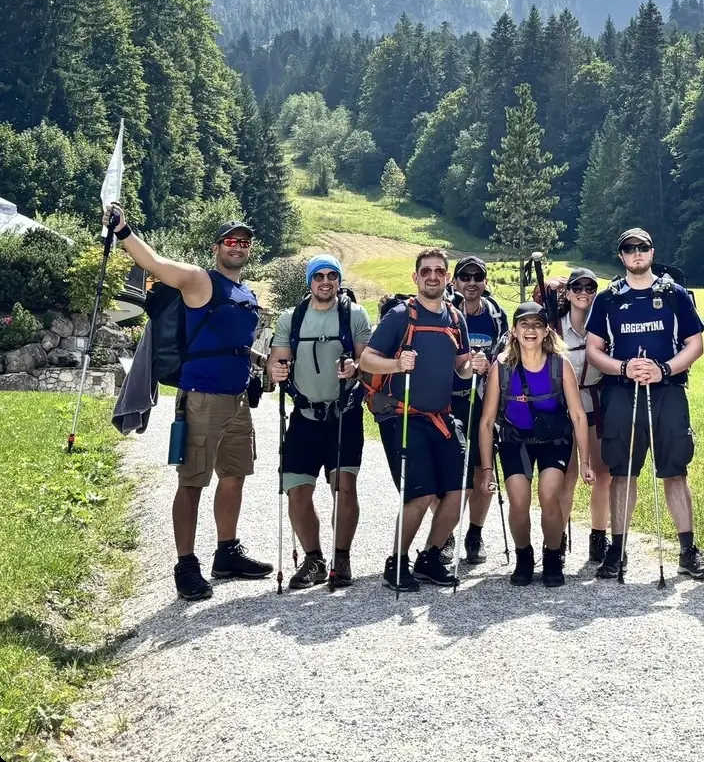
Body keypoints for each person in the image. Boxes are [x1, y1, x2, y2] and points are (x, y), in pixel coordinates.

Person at [107, 207, 272, 601]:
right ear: (217, 248)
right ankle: (186, 564)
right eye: (231, 241)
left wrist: (259, 361)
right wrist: (124, 230)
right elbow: (155, 264)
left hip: (236, 401)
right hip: (200, 398)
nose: (238, 247)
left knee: (234, 476)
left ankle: (227, 553)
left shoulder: (246, 294)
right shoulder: (199, 280)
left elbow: (232, 342)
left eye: (244, 242)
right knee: (193, 481)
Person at [585, 227, 704, 581]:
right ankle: (618, 549)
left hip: (668, 390)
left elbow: (694, 344)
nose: (636, 254)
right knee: (623, 472)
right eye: (629, 249)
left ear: (652, 252)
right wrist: (624, 367)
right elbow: (595, 350)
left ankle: (688, 551)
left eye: (642, 247)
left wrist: (664, 369)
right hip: (621, 391)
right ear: (622, 256)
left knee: (675, 470)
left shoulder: (673, 293)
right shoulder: (609, 297)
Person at [359, 247, 489, 591]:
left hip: (441, 418)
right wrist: (396, 365)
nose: (433, 276)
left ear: (447, 278)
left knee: (461, 489)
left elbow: (460, 367)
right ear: (416, 277)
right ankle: (396, 563)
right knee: (418, 494)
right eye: (426, 271)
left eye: (439, 271)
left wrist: (472, 365)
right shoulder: (401, 315)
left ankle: (430, 558)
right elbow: (367, 361)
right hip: (401, 417)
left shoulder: (455, 317)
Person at [267, 256, 372, 589]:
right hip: (304, 415)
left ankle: (341, 558)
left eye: (332, 276)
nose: (325, 282)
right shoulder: (291, 317)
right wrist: (276, 370)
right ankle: (314, 559)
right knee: (296, 490)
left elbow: (367, 359)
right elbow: (277, 360)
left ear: (339, 280)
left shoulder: (354, 314)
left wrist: (356, 368)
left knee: (343, 487)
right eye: (318, 276)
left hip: (344, 414)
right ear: (309, 281)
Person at [477, 301, 594, 587]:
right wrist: (487, 470)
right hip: (515, 440)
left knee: (549, 494)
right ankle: (524, 556)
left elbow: (578, 415)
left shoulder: (559, 364)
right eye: (524, 324)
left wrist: (586, 462)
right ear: (514, 331)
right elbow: (486, 421)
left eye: (537, 325)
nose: (531, 330)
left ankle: (552, 555)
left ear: (546, 332)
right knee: (518, 500)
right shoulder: (501, 367)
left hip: (554, 440)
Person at [447, 255, 508, 565]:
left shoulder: (496, 317)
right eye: (465, 276)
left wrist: (489, 367)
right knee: (446, 472)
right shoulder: (443, 313)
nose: (471, 282)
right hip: (445, 400)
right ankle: (446, 535)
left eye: (477, 277)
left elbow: (507, 358)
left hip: (482, 402)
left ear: (485, 282)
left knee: (483, 470)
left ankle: (475, 533)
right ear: (455, 281)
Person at [559, 268, 612, 563]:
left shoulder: (603, 324)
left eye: (589, 287)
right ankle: (558, 537)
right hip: (564, 410)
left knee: (604, 474)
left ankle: (598, 537)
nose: (583, 292)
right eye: (576, 287)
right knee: (567, 476)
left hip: (596, 404)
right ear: (567, 293)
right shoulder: (554, 327)